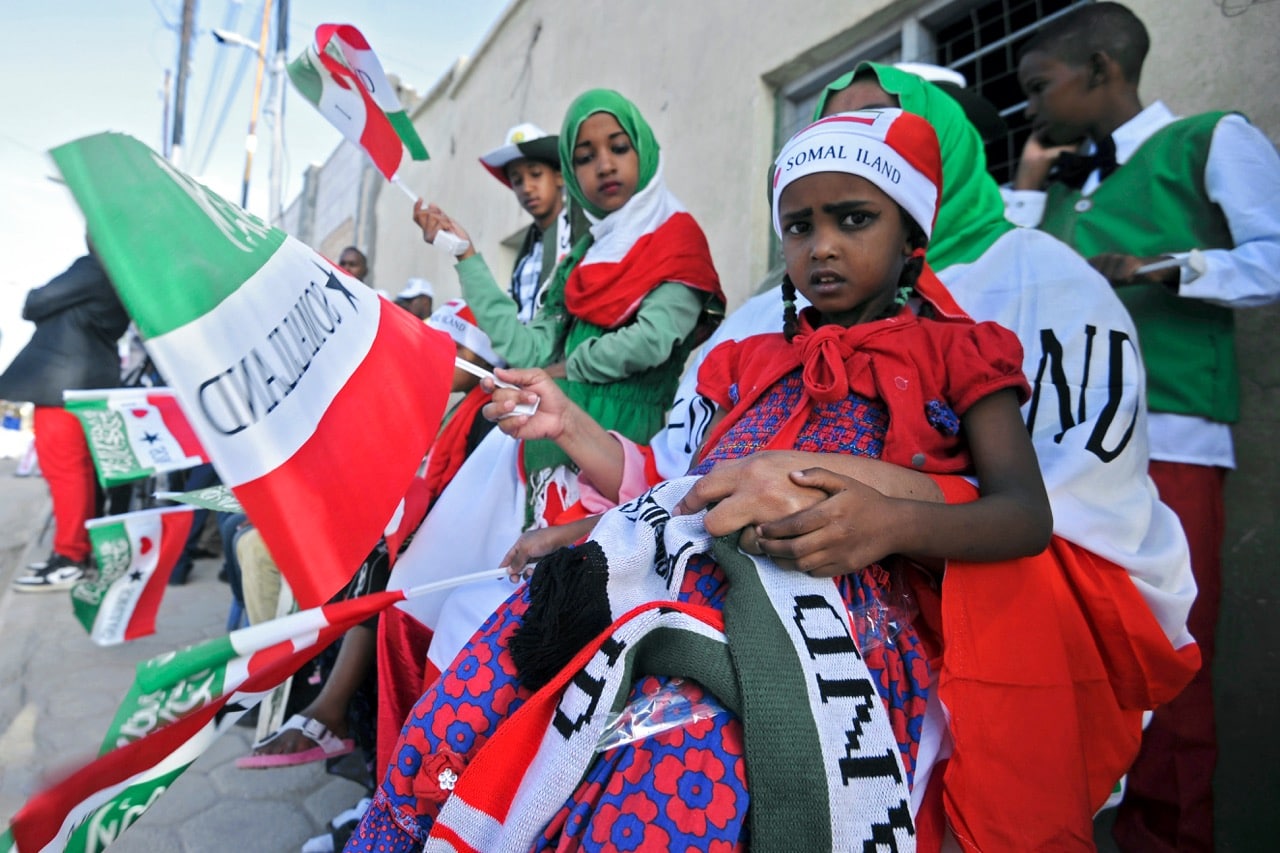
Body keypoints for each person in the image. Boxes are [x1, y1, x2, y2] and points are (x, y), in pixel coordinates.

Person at [490, 62, 1200, 850]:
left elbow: (1048, 514)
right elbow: (681, 472)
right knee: (510, 702)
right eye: (802, 218)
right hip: (688, 586)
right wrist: (578, 445)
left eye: (878, 132)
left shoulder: (1027, 294)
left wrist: (843, 494)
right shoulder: (761, 333)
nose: (841, 151)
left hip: (870, 626)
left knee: (671, 768)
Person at [345, 108, 1059, 852]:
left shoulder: (964, 350)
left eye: (854, 220)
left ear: (912, 234)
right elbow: (684, 489)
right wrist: (573, 518)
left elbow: (1022, 514)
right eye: (799, 226)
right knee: (474, 692)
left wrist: (891, 521)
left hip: (828, 617)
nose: (822, 246)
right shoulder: (745, 361)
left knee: (667, 768)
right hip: (670, 572)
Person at [1006, 6, 1280, 849]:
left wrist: (1162, 266)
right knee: (1073, 663)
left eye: (1040, 87)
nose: (1031, 108)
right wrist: (1026, 183)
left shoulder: (1209, 140)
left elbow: (1273, 256)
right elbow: (1002, 289)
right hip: (1068, 456)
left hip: (1173, 439)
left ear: (1101, 67)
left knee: (1173, 662)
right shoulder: (1062, 190)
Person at [2, 240, 130, 591]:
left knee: (66, 473)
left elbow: (35, 302)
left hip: (61, 384)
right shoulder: (125, 273)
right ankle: (77, 554)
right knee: (81, 473)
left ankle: (70, 558)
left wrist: (41, 302)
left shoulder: (93, 266)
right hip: (91, 382)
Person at [478, 123, 574, 324]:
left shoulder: (579, 236)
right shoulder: (524, 258)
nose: (526, 188)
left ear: (559, 177)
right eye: (517, 180)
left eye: (536, 174)